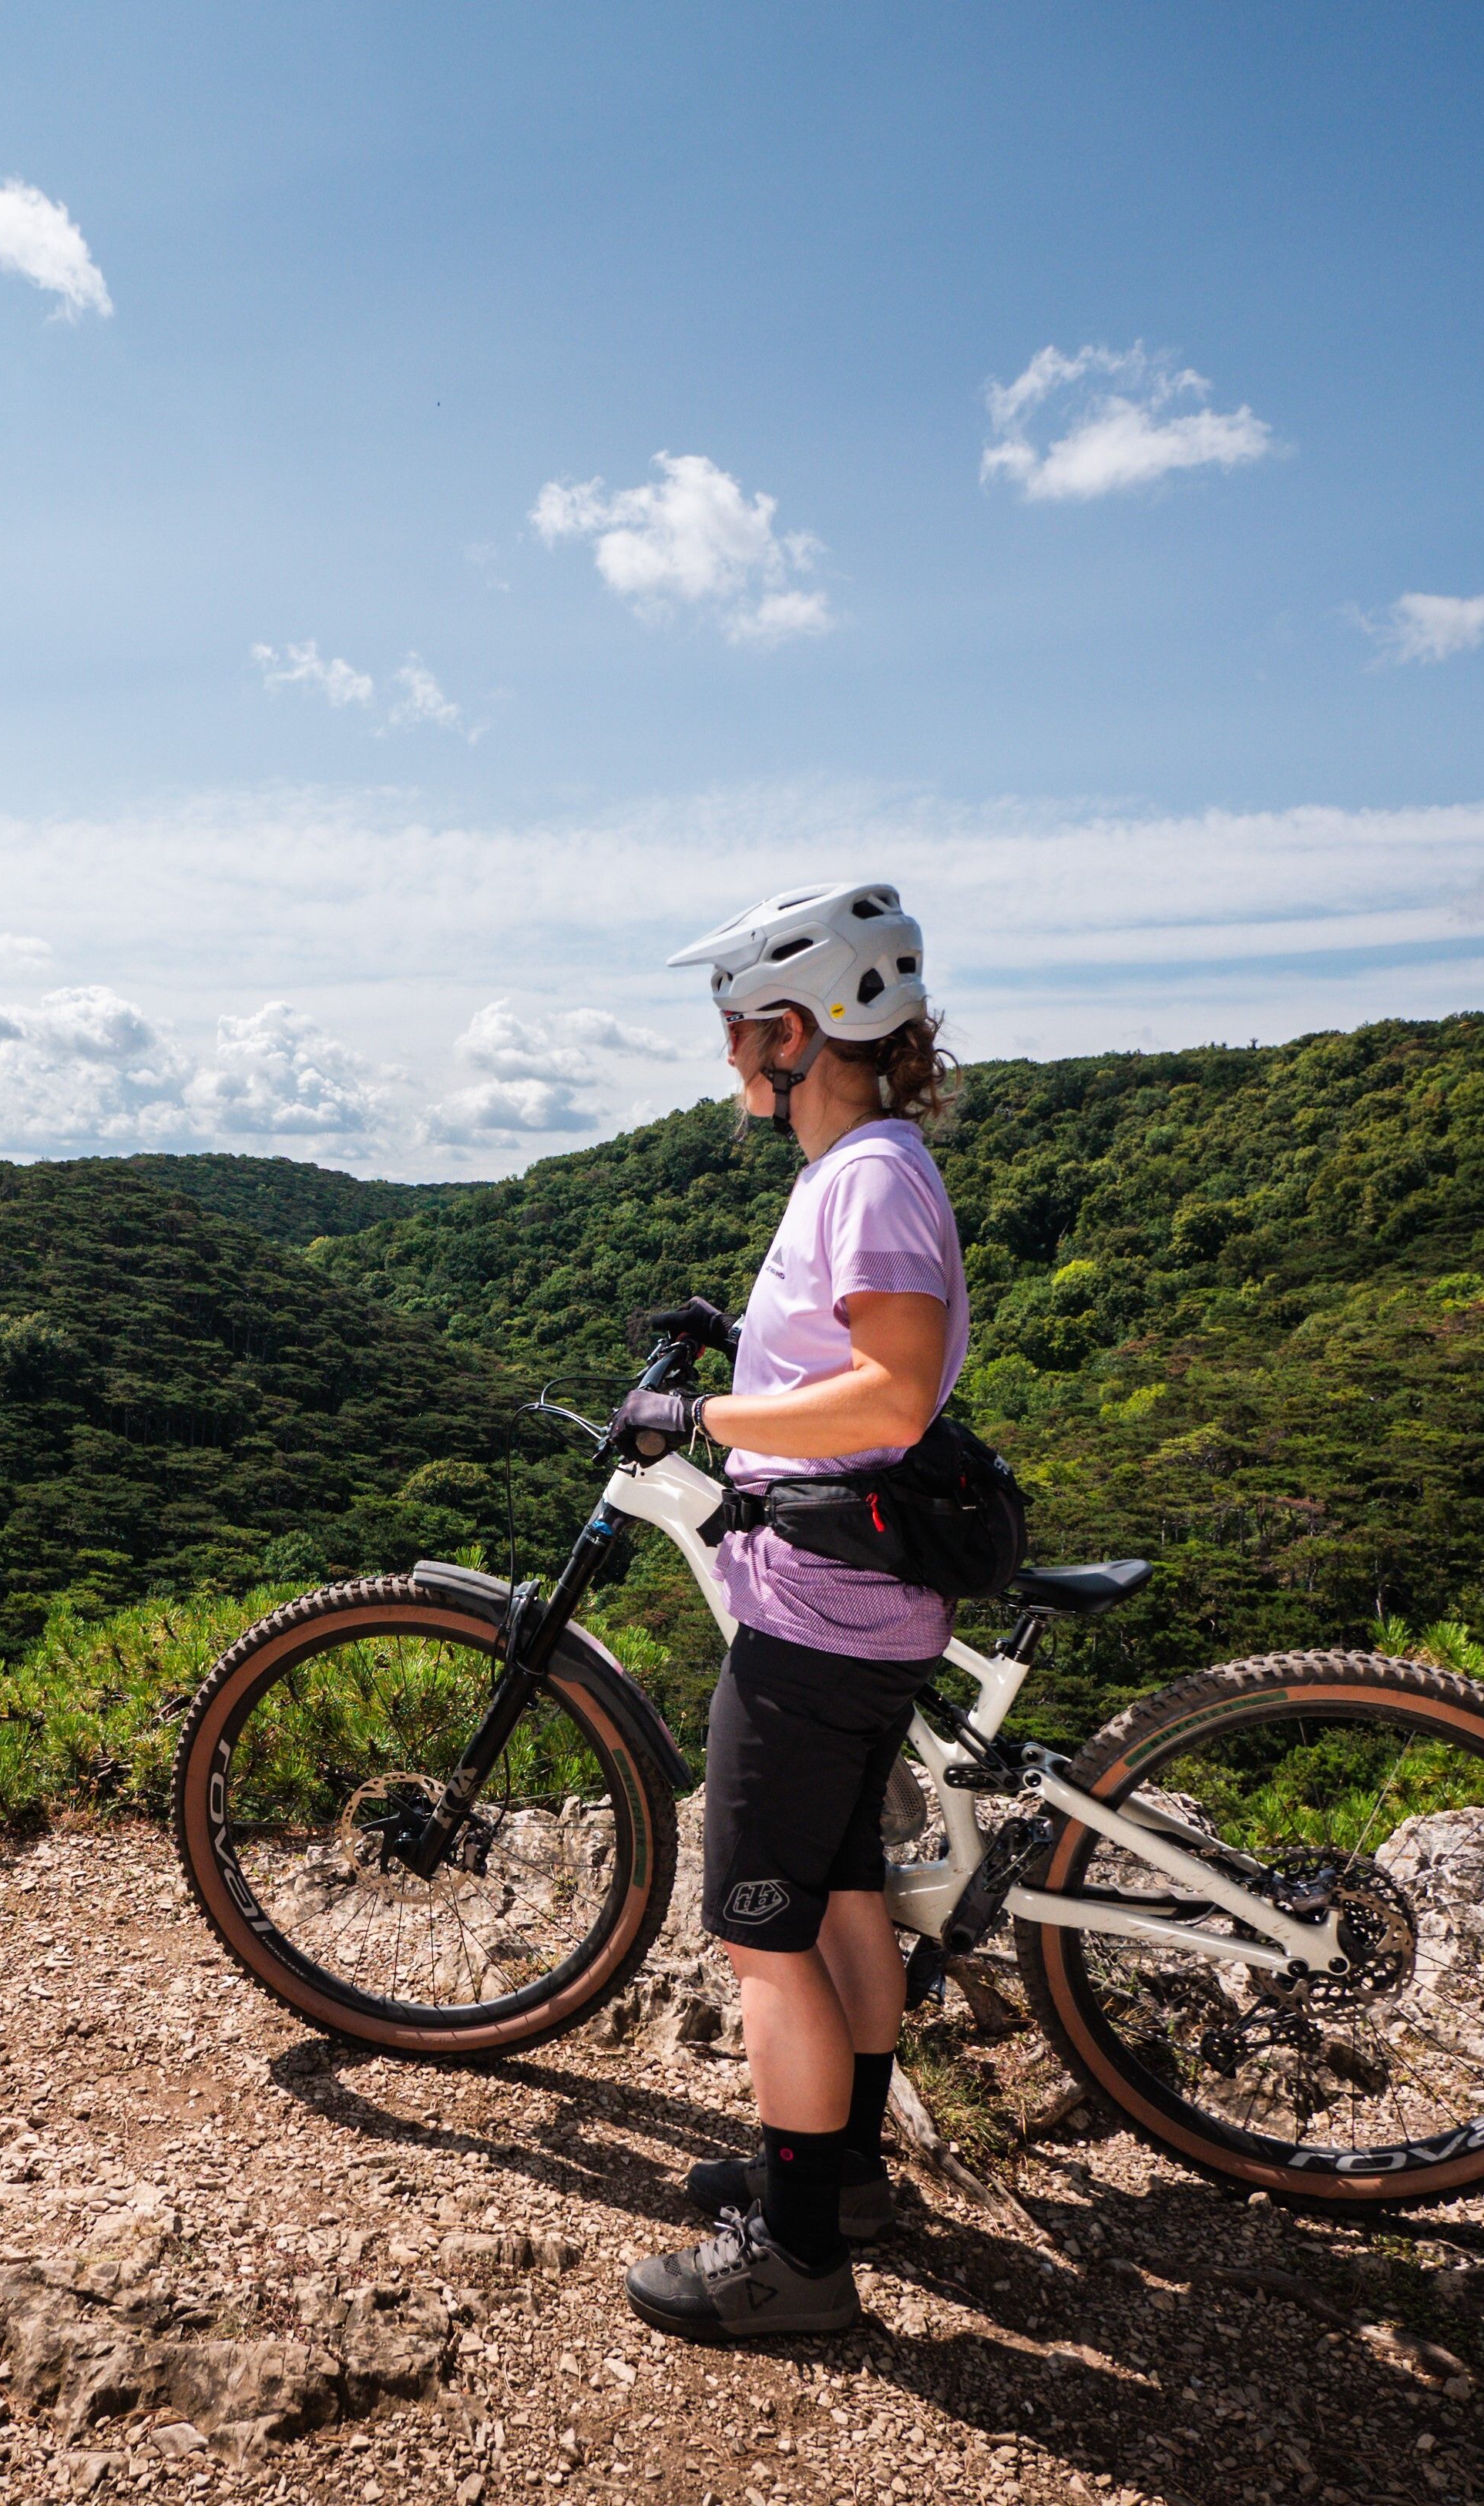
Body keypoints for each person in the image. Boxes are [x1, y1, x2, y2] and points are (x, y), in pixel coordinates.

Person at [604, 878, 967, 2343]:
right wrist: (737, 1346)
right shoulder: (859, 1168)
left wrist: (700, 1408)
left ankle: (797, 2253)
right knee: (842, 1900)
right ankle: (848, 2173)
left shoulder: (868, 1175)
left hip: (818, 1620)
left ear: (803, 1031)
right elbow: (847, 1356)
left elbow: (885, 1387)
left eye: (739, 1026)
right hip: (851, 1607)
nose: (727, 1056)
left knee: (761, 1935)